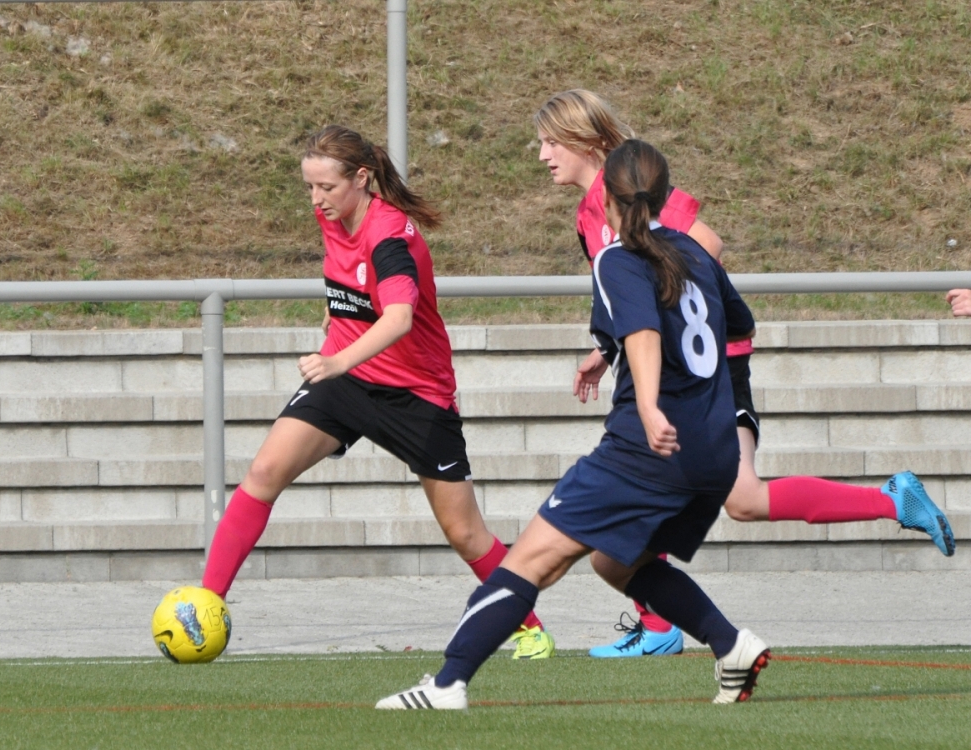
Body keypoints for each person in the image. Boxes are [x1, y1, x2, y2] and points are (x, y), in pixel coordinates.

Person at [535, 90, 956, 660]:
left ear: (583, 140)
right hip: (681, 364)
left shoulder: (629, 184)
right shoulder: (591, 210)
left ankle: (891, 500)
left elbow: (704, 246)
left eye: (550, 142)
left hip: (711, 364)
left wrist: (685, 337)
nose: (543, 155)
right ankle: (660, 625)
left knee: (740, 497)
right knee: (681, 491)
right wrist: (606, 348)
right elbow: (630, 290)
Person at [378, 139, 768, 709]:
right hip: (712, 452)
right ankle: (731, 646)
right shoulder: (695, 252)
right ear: (666, 197)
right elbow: (739, 326)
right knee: (616, 561)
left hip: (647, 449)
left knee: (529, 560)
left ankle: (446, 684)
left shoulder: (617, 256)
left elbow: (644, 333)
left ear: (606, 196)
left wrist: (651, 405)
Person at [200, 124, 554, 660]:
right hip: (346, 381)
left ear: (361, 179)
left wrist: (335, 359)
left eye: (327, 187)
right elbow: (352, 282)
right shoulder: (333, 217)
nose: (316, 199)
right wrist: (338, 315)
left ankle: (530, 626)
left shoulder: (390, 236)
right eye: (309, 187)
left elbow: (399, 317)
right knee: (264, 472)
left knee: (465, 533)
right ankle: (204, 608)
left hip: (415, 394)